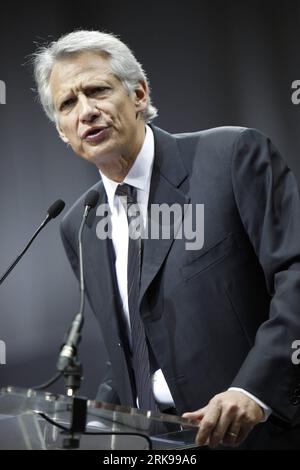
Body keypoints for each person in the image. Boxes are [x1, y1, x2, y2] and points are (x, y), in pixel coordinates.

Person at [33, 30, 300, 449]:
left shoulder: (231, 157)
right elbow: (130, 344)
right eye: (68, 103)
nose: (86, 112)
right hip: (153, 447)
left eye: (98, 90)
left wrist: (255, 390)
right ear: (63, 132)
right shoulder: (79, 225)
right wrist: (92, 426)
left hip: (256, 435)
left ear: (139, 94)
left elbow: (295, 273)